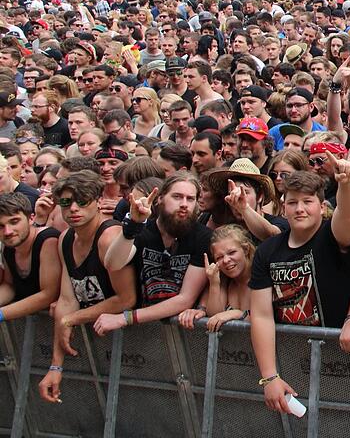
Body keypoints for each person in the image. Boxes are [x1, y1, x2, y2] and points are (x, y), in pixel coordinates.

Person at [250, 161, 350, 415]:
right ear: (283, 208)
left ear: (322, 207)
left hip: (344, 362)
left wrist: (347, 183)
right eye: (292, 202)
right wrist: (269, 377)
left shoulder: (332, 237)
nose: (300, 209)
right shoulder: (266, 251)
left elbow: (347, 214)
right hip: (292, 361)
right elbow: (260, 315)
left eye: (307, 202)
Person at [39, 170, 136, 404]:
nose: (73, 208)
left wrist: (72, 319)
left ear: (99, 202)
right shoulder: (65, 238)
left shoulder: (108, 237)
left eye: (82, 201)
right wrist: (55, 365)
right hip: (99, 342)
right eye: (65, 202)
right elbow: (66, 300)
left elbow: (126, 299)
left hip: (135, 342)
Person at [96, 172, 211, 334]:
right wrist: (133, 226)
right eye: (177, 197)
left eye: (190, 199)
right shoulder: (143, 230)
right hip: (144, 333)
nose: (184, 204)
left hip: (187, 332)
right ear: (160, 198)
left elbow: (185, 299)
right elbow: (113, 264)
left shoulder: (203, 237)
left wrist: (126, 318)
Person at [178, 224, 256, 332]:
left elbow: (267, 320)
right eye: (219, 257)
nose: (226, 260)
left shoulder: (261, 277)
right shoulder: (224, 279)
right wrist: (214, 283)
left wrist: (238, 314)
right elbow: (214, 316)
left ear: (246, 249)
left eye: (232, 252)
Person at [0, 192, 61, 321]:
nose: (8, 231)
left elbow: (49, 295)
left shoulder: (48, 240)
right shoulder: (9, 246)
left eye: (14, 221)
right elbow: (9, 286)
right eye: (1, 226)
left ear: (31, 218)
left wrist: (1, 314)